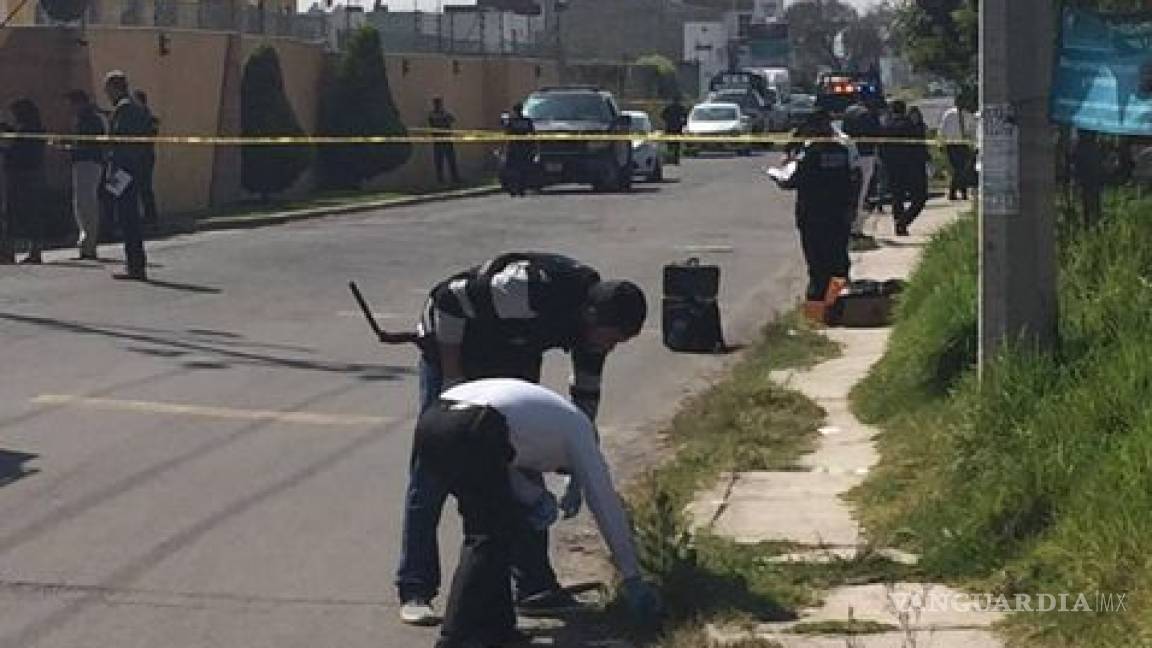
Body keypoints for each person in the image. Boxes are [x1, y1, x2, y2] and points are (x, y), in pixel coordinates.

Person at [396, 252, 647, 626]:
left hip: (511, 354)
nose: (609, 348)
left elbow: (584, 403)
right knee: (436, 466)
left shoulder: (593, 334)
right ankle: (416, 588)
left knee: (523, 468)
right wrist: (451, 379)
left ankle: (534, 588)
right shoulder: (527, 290)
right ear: (592, 316)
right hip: (454, 346)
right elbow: (449, 300)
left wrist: (579, 465)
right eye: (611, 340)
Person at [415, 378, 661, 648]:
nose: (555, 472)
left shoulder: (546, 423)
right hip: (477, 424)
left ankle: (498, 629)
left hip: (435, 421)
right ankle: (454, 637)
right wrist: (631, 575)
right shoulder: (579, 433)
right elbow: (605, 504)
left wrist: (535, 498)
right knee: (486, 537)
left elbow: (508, 469)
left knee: (500, 524)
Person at [775, 110, 856, 303]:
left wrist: (779, 177)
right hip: (839, 215)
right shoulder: (841, 152)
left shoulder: (810, 155)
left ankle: (819, 306)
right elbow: (852, 179)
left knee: (818, 264)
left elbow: (792, 181)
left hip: (813, 216)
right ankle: (837, 303)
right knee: (838, 261)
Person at [104, 70, 153, 280]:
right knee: (129, 216)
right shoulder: (138, 107)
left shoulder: (123, 109)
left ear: (115, 88)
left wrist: (114, 173)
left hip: (124, 169)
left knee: (127, 217)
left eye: (108, 89)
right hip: (137, 167)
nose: (107, 94)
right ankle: (135, 263)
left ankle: (134, 265)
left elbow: (120, 141)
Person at [0, 98, 47, 265]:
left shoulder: (27, 130)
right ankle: (33, 250)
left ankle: (8, 252)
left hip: (22, 175)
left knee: (16, 213)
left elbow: (16, 150)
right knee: (29, 213)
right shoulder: (34, 129)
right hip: (30, 174)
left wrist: (7, 147)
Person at [64, 90, 107, 260]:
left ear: (79, 103)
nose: (70, 108)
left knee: (86, 204)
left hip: (89, 163)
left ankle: (89, 244)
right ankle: (86, 243)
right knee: (80, 204)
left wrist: (69, 147)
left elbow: (88, 144)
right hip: (83, 162)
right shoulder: (84, 119)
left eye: (72, 104)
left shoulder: (90, 119)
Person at [881, 101, 929, 236]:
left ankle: (899, 223)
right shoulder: (912, 126)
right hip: (913, 168)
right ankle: (904, 221)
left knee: (897, 197)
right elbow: (920, 147)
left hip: (893, 168)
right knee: (920, 198)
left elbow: (882, 148)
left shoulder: (886, 127)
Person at [842, 99, 884, 238]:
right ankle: (855, 228)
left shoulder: (849, 111)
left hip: (850, 154)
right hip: (866, 154)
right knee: (861, 191)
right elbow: (878, 134)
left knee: (850, 190)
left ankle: (848, 225)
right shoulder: (870, 115)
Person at [132, 90, 160, 226]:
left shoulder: (147, 118)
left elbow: (151, 134)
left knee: (145, 187)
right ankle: (145, 216)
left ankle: (151, 217)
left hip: (145, 156)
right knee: (138, 187)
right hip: (138, 156)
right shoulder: (137, 117)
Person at [938, 97, 974, 201]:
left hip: (963, 144)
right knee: (958, 169)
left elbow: (971, 130)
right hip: (952, 144)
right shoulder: (949, 114)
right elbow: (942, 129)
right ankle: (954, 192)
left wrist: (971, 141)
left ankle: (962, 192)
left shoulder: (967, 115)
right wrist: (941, 143)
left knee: (964, 169)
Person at [500, 103, 536, 197]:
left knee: (512, 170)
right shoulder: (527, 121)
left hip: (513, 148)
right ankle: (521, 189)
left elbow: (506, 132)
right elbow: (533, 134)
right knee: (523, 170)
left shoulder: (511, 121)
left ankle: (513, 189)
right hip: (524, 148)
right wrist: (532, 147)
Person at [428, 97, 461, 184]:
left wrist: (445, 116)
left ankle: (455, 178)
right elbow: (433, 123)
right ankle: (441, 180)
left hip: (447, 140)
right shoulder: (432, 114)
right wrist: (444, 119)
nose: (439, 105)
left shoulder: (444, 113)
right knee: (439, 162)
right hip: (438, 141)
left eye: (440, 103)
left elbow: (452, 119)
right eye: (437, 104)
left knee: (451, 160)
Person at [660, 97, 688, 164]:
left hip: (670, 128)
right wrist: (683, 123)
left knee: (670, 145)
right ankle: (675, 159)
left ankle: (671, 159)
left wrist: (667, 120)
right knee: (676, 145)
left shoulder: (669, 108)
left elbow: (662, 115)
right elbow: (685, 117)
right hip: (677, 128)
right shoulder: (681, 108)